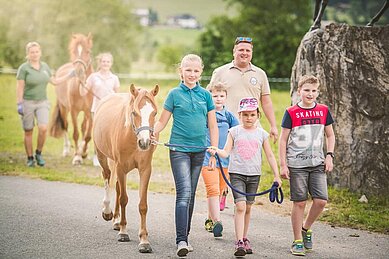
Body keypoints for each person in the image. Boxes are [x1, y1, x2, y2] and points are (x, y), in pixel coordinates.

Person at [152, 54, 218, 257]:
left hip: (199, 152)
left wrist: (214, 149)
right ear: (181, 71)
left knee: (190, 196)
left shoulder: (205, 95)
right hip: (179, 150)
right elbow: (162, 121)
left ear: (201, 72)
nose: (192, 74)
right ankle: (181, 240)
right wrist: (152, 132)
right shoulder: (173, 94)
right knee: (184, 193)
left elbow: (212, 125)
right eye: (188, 70)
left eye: (196, 71)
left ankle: (185, 237)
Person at [208, 97, 282, 257]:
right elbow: (226, 151)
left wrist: (277, 175)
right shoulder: (234, 132)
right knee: (240, 206)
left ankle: (245, 237)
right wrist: (215, 150)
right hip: (237, 175)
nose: (249, 118)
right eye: (245, 115)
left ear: (258, 115)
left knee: (248, 208)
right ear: (240, 115)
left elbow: (269, 155)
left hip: (254, 175)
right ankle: (239, 240)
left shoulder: (262, 134)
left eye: (252, 115)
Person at [278, 75, 335, 256]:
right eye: (306, 90)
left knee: (321, 201)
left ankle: (305, 228)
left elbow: (330, 135)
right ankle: (297, 241)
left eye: (313, 90)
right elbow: (283, 140)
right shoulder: (291, 112)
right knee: (300, 202)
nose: (310, 94)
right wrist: (283, 164)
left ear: (318, 92)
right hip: (296, 164)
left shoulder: (323, 110)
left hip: (317, 162)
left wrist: (329, 156)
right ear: (299, 91)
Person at [208, 36, 278, 143]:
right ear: (234, 52)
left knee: (251, 159)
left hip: (252, 128)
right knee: (226, 159)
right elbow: (209, 99)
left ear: (251, 53)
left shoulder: (260, 74)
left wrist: (273, 125)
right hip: (226, 128)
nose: (244, 53)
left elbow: (266, 102)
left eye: (248, 50)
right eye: (241, 50)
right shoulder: (220, 72)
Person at [16, 41, 73, 167]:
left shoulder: (45, 67)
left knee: (43, 128)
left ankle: (38, 153)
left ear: (40, 53)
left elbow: (55, 81)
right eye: (32, 52)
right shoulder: (24, 69)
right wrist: (19, 103)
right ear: (28, 54)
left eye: (37, 52)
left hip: (42, 102)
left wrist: (69, 75)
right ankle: (30, 158)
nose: (35, 54)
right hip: (28, 102)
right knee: (28, 131)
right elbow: (20, 87)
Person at [201, 82, 239, 238]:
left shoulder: (229, 116)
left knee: (221, 190)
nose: (218, 99)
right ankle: (217, 221)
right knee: (213, 189)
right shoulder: (206, 115)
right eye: (214, 96)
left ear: (226, 97)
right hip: (208, 159)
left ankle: (210, 219)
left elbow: (238, 133)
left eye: (221, 96)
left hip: (225, 160)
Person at [80, 52, 120, 166]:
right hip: (97, 110)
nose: (105, 63)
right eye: (103, 61)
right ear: (100, 63)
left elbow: (117, 95)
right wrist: (81, 82)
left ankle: (110, 155)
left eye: (107, 62)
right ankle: (97, 156)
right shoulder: (93, 77)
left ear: (111, 63)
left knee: (110, 133)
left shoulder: (114, 78)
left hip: (112, 110)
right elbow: (83, 92)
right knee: (98, 134)